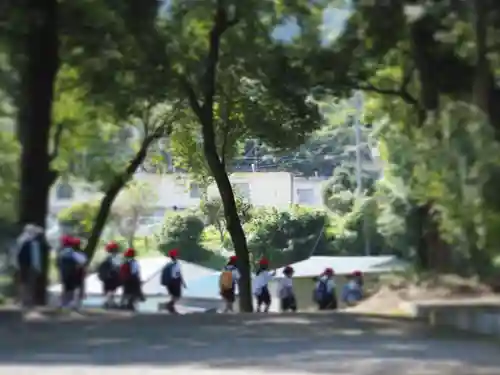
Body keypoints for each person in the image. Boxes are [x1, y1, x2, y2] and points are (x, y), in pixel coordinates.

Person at [12, 224, 44, 310]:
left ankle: (23, 301)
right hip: (29, 266)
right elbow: (35, 257)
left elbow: (15, 254)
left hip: (22, 266)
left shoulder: (20, 240)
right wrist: (37, 267)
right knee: (29, 284)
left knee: (23, 283)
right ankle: (27, 302)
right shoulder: (32, 242)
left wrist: (16, 265)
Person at [58, 235, 87, 310]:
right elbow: (82, 261)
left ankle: (64, 303)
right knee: (71, 289)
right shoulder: (72, 252)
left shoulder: (61, 252)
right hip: (72, 272)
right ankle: (69, 303)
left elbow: (58, 263)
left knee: (66, 288)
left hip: (64, 272)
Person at [160, 248, 186, 314]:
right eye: (177, 255)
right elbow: (178, 273)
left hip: (170, 282)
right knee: (177, 296)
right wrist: (183, 282)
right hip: (175, 282)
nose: (178, 256)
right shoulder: (176, 264)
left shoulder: (168, 264)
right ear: (175, 256)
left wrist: (182, 282)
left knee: (174, 296)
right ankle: (169, 305)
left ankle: (171, 307)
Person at [98, 241, 122, 308]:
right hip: (113, 275)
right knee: (112, 290)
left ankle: (110, 302)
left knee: (108, 290)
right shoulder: (117, 257)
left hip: (106, 276)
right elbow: (117, 267)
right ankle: (107, 302)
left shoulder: (106, 257)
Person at [70, 237, 88, 310]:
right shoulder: (82, 253)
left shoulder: (71, 253)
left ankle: (74, 303)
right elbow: (84, 263)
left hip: (74, 272)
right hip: (80, 272)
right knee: (79, 288)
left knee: (74, 288)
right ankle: (78, 304)